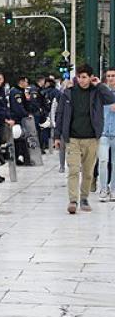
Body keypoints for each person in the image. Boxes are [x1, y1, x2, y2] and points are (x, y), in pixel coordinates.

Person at [54, 64, 115, 213]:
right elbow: (60, 114)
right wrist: (57, 135)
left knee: (88, 172)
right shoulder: (68, 93)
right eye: (79, 77)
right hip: (73, 138)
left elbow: (111, 98)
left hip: (91, 138)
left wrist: (99, 85)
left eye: (84, 77)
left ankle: (84, 198)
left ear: (90, 77)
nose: (81, 80)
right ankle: (73, 201)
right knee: (74, 170)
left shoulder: (97, 93)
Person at [98, 69, 115, 201]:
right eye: (108, 76)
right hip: (103, 132)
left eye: (113, 76)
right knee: (103, 161)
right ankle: (103, 188)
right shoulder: (101, 93)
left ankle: (113, 188)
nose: (111, 78)